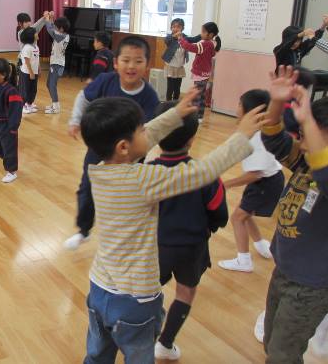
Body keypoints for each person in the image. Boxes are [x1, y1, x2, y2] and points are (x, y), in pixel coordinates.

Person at [79, 88, 265, 364]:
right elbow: (203, 171)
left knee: (97, 355)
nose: (148, 133)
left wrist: (175, 115)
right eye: (142, 129)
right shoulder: (143, 179)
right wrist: (241, 135)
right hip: (134, 301)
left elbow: (140, 142)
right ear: (123, 147)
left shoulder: (97, 166)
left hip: (99, 288)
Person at [258, 66, 328, 364]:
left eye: (312, 135)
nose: (303, 142)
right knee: (272, 343)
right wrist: (277, 102)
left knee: (282, 355)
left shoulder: (321, 169)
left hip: (311, 285)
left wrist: (308, 120)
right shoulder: (306, 161)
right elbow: (273, 139)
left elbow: (326, 174)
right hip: (284, 269)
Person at [149, 101, 229, 360]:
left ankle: (140, 334)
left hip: (155, 246)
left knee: (147, 290)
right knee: (186, 291)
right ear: (192, 139)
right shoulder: (206, 174)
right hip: (192, 247)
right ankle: (165, 343)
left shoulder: (145, 174)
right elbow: (220, 214)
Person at [64, 36, 160, 250]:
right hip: (100, 147)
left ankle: (127, 234)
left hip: (131, 155)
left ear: (147, 65)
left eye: (138, 61)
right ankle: (83, 231)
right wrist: (75, 120)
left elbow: (151, 130)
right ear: (116, 63)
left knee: (128, 195)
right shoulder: (105, 81)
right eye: (126, 60)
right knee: (87, 186)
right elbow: (83, 97)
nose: (131, 66)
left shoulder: (150, 97)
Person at [218, 89, 284, 273]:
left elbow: (255, 175)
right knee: (245, 214)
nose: (237, 108)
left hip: (267, 182)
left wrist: (226, 185)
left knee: (237, 218)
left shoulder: (257, 138)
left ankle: (244, 260)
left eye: (240, 104)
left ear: (250, 110)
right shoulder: (255, 132)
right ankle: (261, 245)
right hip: (267, 180)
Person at [179, 21, 221, 122]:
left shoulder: (206, 44)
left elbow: (190, 47)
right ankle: (199, 117)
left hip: (200, 74)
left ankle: (194, 118)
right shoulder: (212, 43)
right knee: (201, 96)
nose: (201, 34)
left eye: (203, 32)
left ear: (210, 34)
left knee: (196, 96)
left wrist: (181, 39)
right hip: (205, 74)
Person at [44, 12, 70, 114]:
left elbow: (50, 30)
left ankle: (56, 107)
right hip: (55, 63)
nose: (55, 27)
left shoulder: (61, 36)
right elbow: (53, 29)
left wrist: (47, 20)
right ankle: (55, 104)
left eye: (57, 26)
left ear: (61, 29)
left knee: (52, 85)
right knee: (49, 84)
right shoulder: (63, 35)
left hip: (57, 64)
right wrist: (51, 18)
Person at [162, 18, 189, 101]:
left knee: (177, 88)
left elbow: (193, 40)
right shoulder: (170, 38)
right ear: (171, 28)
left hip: (179, 67)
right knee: (170, 88)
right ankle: (168, 104)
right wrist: (174, 36)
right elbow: (166, 40)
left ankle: (175, 104)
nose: (176, 28)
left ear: (182, 28)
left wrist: (201, 37)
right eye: (173, 27)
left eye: (178, 27)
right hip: (171, 67)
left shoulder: (185, 38)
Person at [19, 27, 40, 114]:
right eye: (35, 33)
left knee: (33, 89)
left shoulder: (36, 46)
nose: (37, 34)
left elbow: (37, 59)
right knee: (26, 90)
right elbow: (27, 61)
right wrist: (31, 72)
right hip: (27, 73)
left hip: (34, 72)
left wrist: (38, 69)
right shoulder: (27, 47)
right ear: (31, 35)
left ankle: (29, 104)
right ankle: (22, 106)